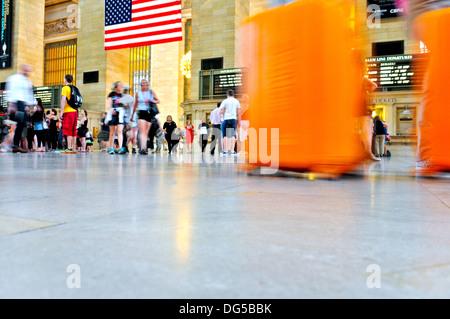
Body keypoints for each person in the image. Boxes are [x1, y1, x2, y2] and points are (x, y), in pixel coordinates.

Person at [5, 64, 35, 153]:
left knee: (22, 124)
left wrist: (32, 105)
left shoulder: (27, 82)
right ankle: (13, 144)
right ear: (22, 69)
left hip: (22, 104)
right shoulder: (14, 78)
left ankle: (15, 145)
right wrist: (11, 104)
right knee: (19, 123)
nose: (26, 72)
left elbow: (29, 94)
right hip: (16, 103)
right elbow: (10, 90)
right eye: (25, 70)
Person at [131, 79, 160, 155]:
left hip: (149, 112)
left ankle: (144, 147)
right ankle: (143, 148)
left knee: (146, 131)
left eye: (145, 83)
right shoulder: (138, 93)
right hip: (141, 112)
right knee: (142, 130)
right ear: (141, 84)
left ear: (147, 84)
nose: (144, 84)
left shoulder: (151, 92)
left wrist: (153, 100)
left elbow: (158, 101)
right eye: (142, 83)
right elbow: (135, 104)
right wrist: (132, 115)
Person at [106, 81, 126, 155]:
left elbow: (125, 105)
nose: (121, 86)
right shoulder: (112, 94)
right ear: (116, 86)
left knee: (120, 131)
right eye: (119, 85)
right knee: (112, 132)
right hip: (113, 113)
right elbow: (109, 104)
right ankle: (111, 148)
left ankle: (120, 147)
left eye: (121, 85)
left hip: (120, 114)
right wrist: (111, 110)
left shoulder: (122, 95)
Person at [60, 74, 78, 154]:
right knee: (74, 129)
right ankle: (73, 147)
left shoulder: (65, 88)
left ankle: (69, 148)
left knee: (68, 130)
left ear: (66, 79)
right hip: (75, 111)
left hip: (68, 111)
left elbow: (63, 101)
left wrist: (61, 113)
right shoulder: (74, 88)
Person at [220, 89, 241, 156]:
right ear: (233, 94)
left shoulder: (225, 101)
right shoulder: (236, 101)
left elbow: (222, 110)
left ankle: (225, 151)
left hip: (226, 118)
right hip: (233, 119)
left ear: (227, 94)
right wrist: (239, 120)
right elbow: (239, 112)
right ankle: (232, 151)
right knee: (233, 135)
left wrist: (223, 116)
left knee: (225, 135)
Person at [123, 86, 138, 154]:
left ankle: (134, 148)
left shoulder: (137, 108)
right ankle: (126, 146)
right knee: (131, 136)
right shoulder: (129, 108)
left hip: (135, 123)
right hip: (130, 122)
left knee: (135, 137)